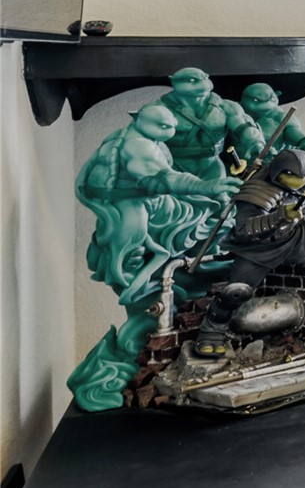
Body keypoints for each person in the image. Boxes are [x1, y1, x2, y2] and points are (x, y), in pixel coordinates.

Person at [68, 104, 240, 410]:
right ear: (139, 121)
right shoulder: (136, 146)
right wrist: (205, 186)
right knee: (136, 273)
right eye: (164, 127)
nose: (172, 133)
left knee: (207, 214)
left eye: (173, 126)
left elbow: (169, 180)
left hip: (153, 204)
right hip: (130, 210)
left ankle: (179, 283)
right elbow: (161, 178)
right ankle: (144, 299)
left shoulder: (153, 141)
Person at [191, 148, 305, 361]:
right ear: (282, 176)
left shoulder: (304, 167)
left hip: (302, 229)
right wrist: (279, 216)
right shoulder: (260, 191)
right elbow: (244, 230)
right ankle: (212, 332)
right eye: (299, 179)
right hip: (261, 248)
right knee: (237, 291)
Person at [155, 68, 262, 183]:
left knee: (222, 198)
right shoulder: (158, 110)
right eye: (192, 80)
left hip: (213, 167)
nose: (202, 83)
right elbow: (137, 138)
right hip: (175, 170)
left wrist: (256, 143)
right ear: (174, 82)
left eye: (204, 77)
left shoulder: (225, 106)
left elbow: (243, 126)